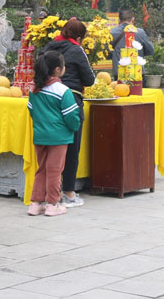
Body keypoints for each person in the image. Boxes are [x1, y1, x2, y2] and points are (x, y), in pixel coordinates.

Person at [46, 18, 96, 207]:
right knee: (71, 148)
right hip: (71, 101)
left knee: (49, 148)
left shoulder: (48, 48)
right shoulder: (76, 50)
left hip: (48, 101)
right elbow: (89, 80)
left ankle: (49, 192)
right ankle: (68, 192)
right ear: (78, 37)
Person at [26, 50, 81, 217]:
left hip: (40, 136)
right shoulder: (63, 91)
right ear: (58, 70)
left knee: (41, 169)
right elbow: (71, 116)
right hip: (59, 137)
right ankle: (52, 204)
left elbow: (31, 111)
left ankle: (35, 204)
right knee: (55, 170)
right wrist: (74, 127)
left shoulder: (34, 89)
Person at [110, 9, 154, 79]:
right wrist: (140, 53)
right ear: (133, 19)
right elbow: (151, 50)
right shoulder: (140, 32)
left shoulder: (112, 32)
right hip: (137, 72)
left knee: (121, 89)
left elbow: (107, 52)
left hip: (119, 73)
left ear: (119, 20)